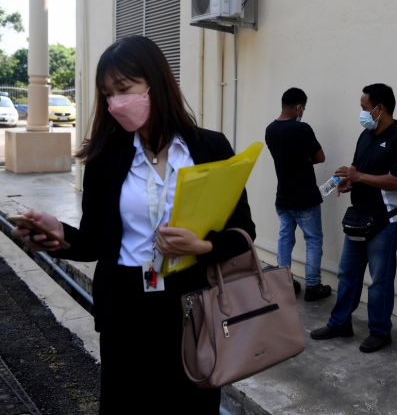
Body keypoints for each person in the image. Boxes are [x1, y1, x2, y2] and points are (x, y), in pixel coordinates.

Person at [11, 36, 256, 414]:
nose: (115, 103)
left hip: (192, 305)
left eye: (124, 89)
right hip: (125, 307)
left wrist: (203, 247)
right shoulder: (105, 157)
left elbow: (244, 233)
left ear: (155, 83)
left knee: (192, 404)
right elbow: (93, 242)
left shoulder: (209, 148)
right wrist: (58, 235)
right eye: (108, 94)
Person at [311, 83, 397, 353]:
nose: (362, 113)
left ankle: (380, 331)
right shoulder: (365, 136)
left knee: (380, 279)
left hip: (386, 221)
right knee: (348, 273)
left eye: (364, 108)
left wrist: (359, 177)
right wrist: (349, 182)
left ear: (380, 109)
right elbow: (359, 170)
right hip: (359, 219)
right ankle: (339, 323)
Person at [265, 88, 332, 301]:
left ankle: (284, 282)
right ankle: (313, 286)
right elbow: (320, 157)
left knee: (285, 238)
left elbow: (282, 157)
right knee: (313, 239)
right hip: (305, 197)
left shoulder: (270, 130)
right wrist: (304, 160)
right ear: (299, 107)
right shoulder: (302, 129)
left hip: (283, 195)